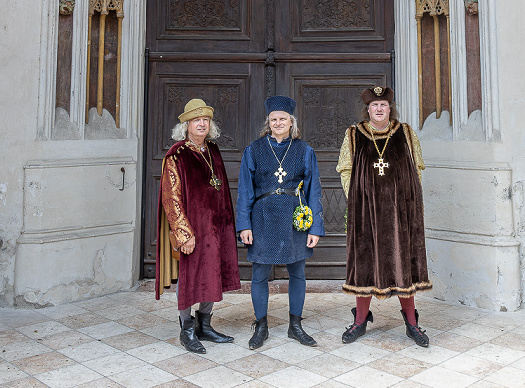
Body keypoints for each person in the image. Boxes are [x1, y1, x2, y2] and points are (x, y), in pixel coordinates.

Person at [337, 86, 432, 347]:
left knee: (403, 265)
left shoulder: (406, 133)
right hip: (365, 213)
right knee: (364, 264)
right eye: (374, 105)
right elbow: (345, 169)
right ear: (367, 109)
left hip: (399, 214)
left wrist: (410, 202)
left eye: (384, 105)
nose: (379, 109)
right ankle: (360, 320)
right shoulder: (354, 135)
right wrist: (356, 199)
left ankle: (412, 323)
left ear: (390, 108)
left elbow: (418, 169)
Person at [237, 96, 325, 349]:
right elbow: (245, 190)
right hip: (262, 217)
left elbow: (314, 190)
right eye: (273, 119)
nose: (278, 123)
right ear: (269, 122)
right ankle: (261, 326)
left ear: (291, 122)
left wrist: (315, 227)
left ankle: (295, 326)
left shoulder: (304, 150)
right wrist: (244, 225)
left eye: (282, 119)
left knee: (297, 273)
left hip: (294, 218)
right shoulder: (254, 149)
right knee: (259, 274)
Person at [155, 98, 241, 354]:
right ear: (186, 125)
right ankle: (187, 328)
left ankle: (205, 324)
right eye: (196, 120)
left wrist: (226, 224)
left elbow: (221, 187)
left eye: (205, 120)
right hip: (192, 229)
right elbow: (171, 197)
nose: (202, 124)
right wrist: (183, 232)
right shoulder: (177, 154)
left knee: (211, 274)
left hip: (215, 227)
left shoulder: (213, 149)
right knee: (190, 277)